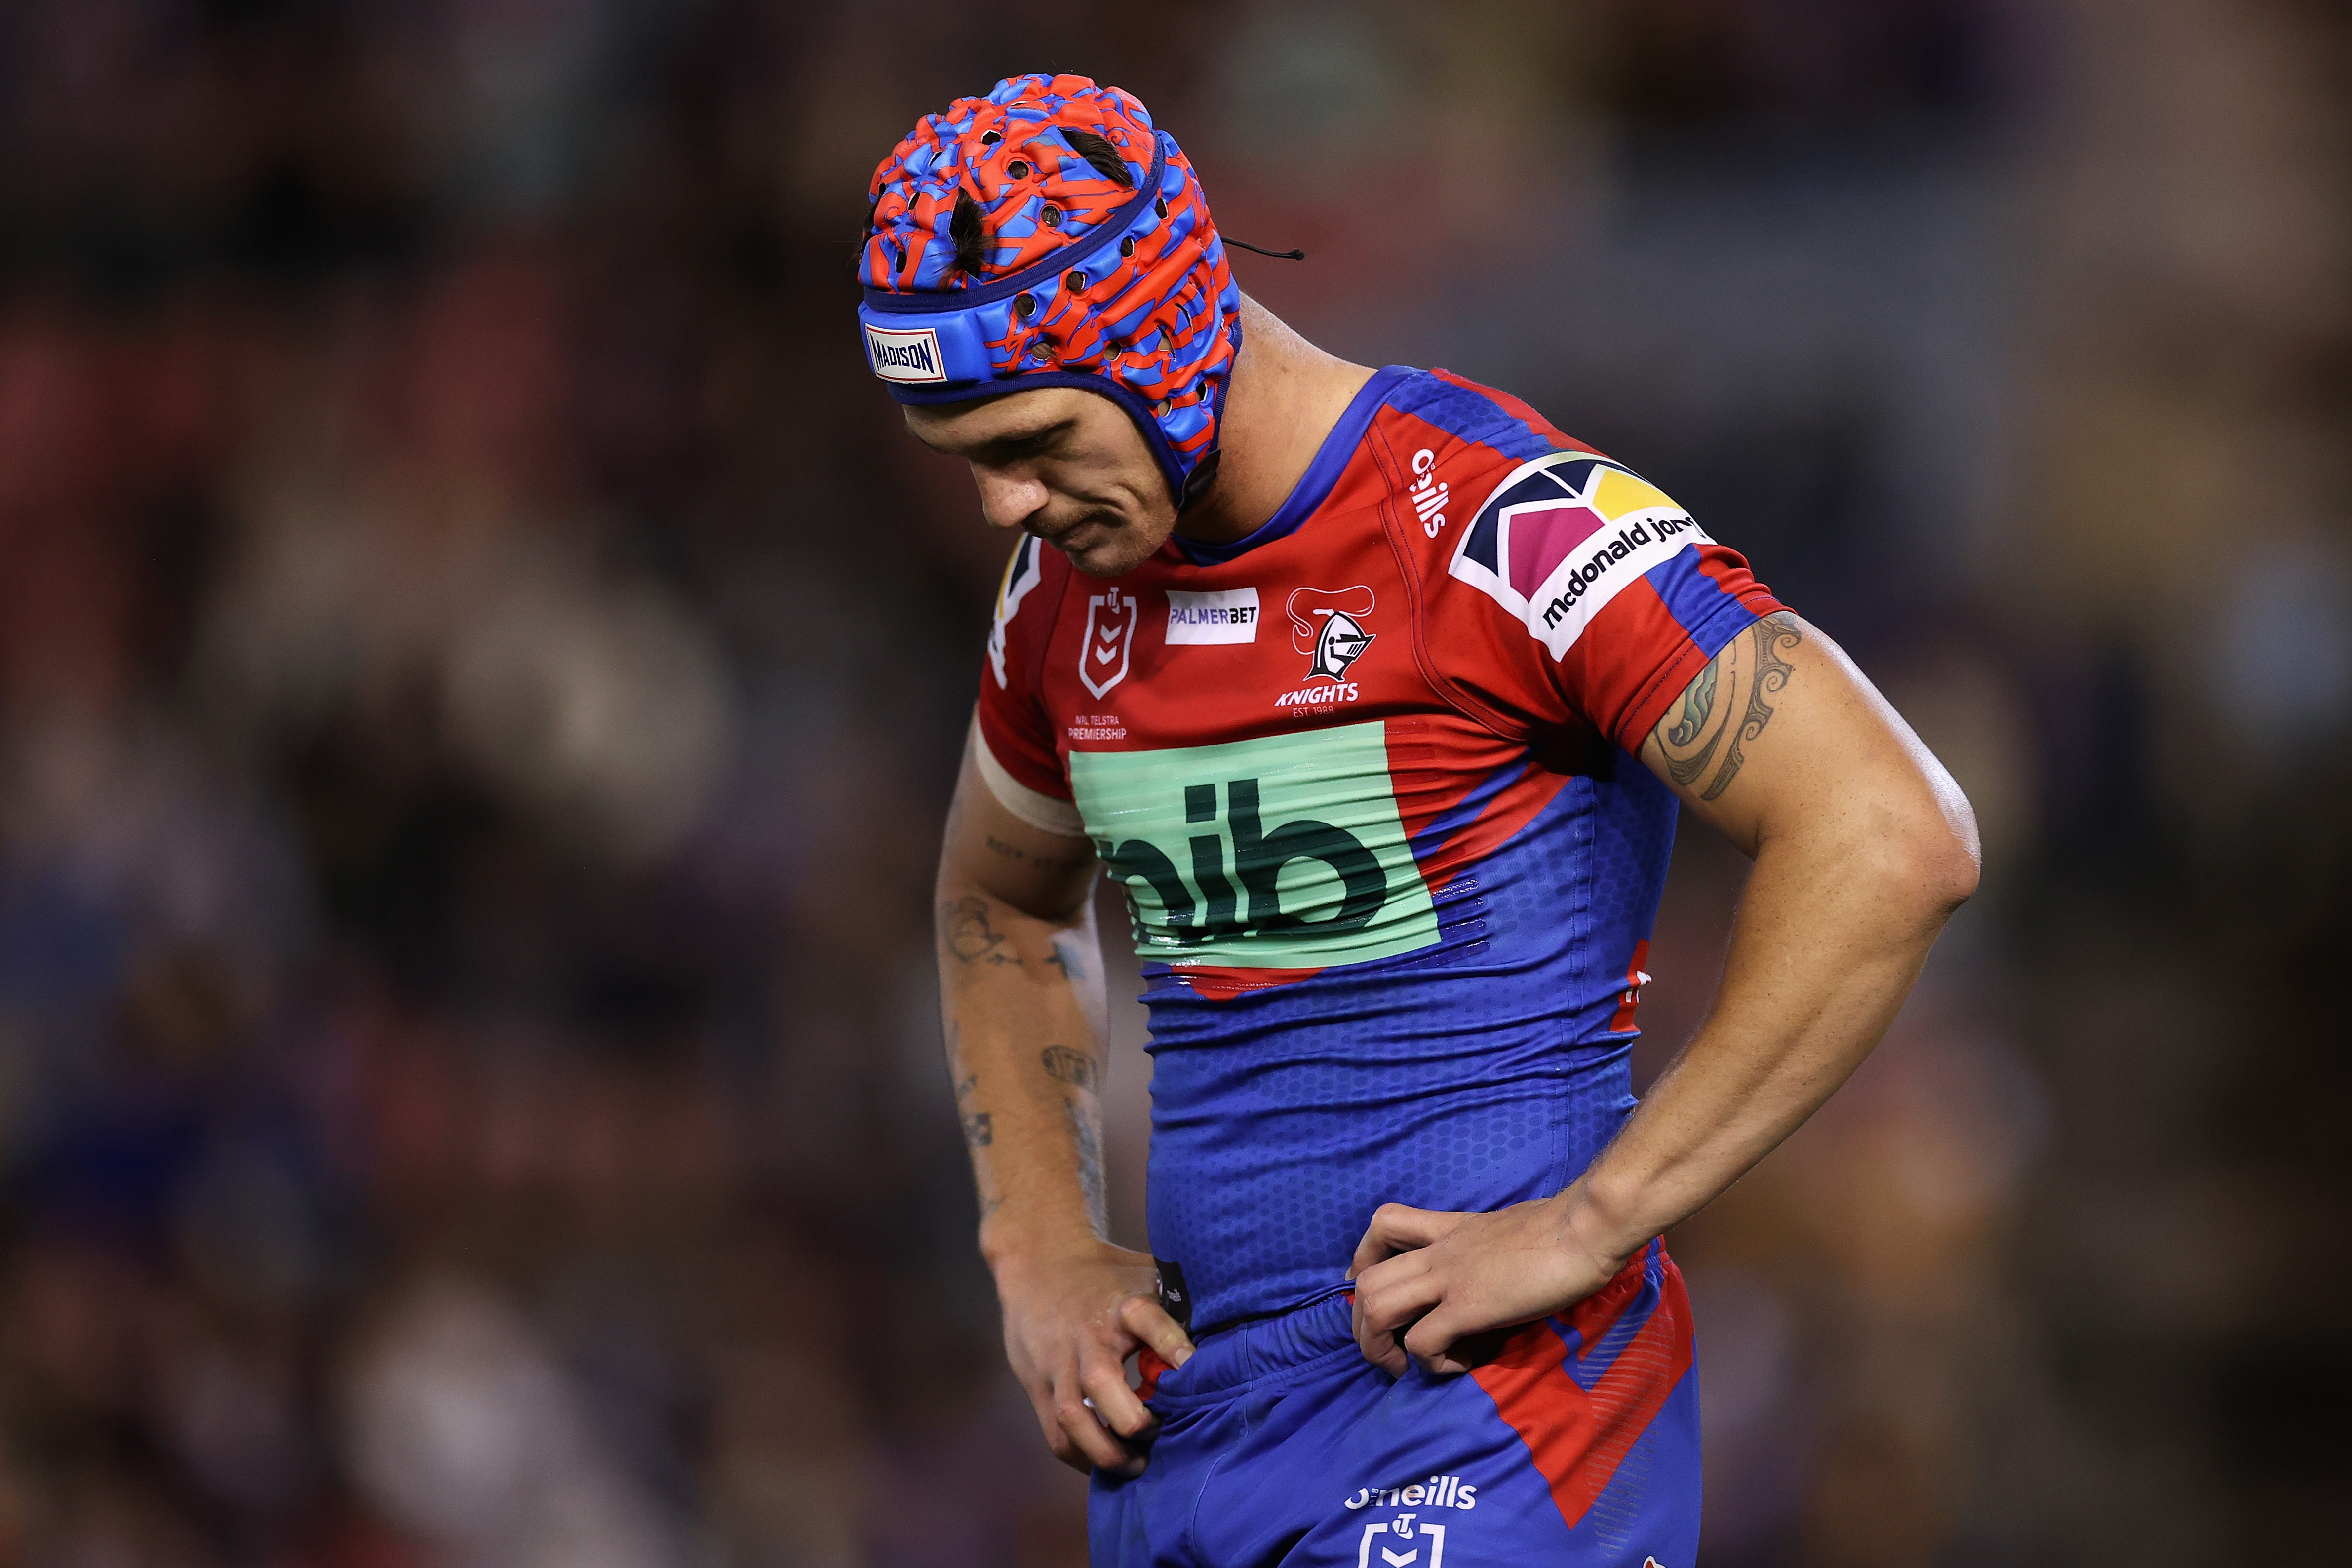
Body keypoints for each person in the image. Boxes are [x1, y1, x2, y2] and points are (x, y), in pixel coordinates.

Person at [861, 73, 1979, 1567]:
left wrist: (1594, 1218)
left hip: (1492, 1425)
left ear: (1158, 338)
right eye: (968, 462)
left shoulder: (1498, 527)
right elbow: (997, 904)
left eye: (1035, 439)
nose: (1002, 505)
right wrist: (1039, 1245)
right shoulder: (1061, 601)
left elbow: (1890, 833)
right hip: (1189, 1441)